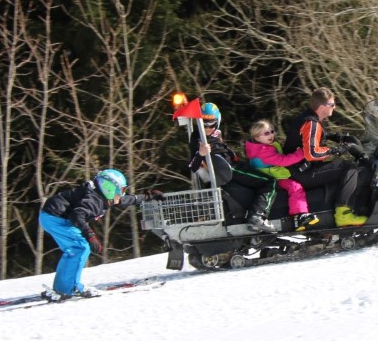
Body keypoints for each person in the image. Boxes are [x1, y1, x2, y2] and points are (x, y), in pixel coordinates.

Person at [38, 169, 163, 301]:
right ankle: (65, 289)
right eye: (121, 190)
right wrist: (90, 236)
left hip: (55, 217)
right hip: (55, 218)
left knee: (77, 249)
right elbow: (77, 215)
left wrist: (147, 197)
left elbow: (124, 200)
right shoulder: (94, 200)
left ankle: (66, 287)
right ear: (109, 188)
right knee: (80, 248)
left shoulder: (102, 195)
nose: (122, 193)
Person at [281, 88, 370, 227]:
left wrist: (336, 137)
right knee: (349, 166)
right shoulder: (312, 124)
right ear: (322, 107)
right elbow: (312, 153)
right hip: (303, 172)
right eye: (332, 104)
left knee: (340, 165)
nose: (334, 107)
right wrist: (338, 150)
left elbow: (314, 137)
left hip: (298, 169)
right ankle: (343, 213)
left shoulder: (307, 118)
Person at [187, 101, 278, 233]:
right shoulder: (197, 138)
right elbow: (193, 166)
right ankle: (257, 216)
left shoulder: (214, 134)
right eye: (204, 124)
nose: (207, 128)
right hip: (228, 169)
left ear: (217, 122)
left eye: (211, 124)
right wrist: (201, 154)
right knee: (270, 181)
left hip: (231, 165)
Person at [244, 119, 319, 232]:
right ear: (257, 137)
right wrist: (304, 152)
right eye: (266, 133)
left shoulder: (263, 147)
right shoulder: (262, 151)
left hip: (274, 176)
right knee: (295, 187)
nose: (271, 135)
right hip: (274, 179)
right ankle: (299, 216)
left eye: (272, 131)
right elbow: (283, 161)